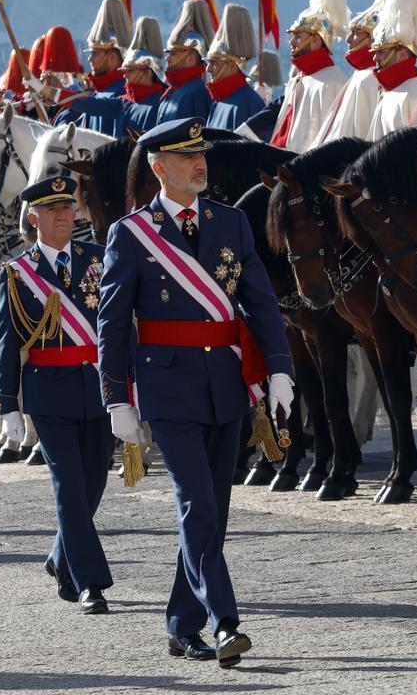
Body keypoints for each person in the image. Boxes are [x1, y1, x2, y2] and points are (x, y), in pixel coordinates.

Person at [97, 117, 294, 667]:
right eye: (186, 158)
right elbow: (112, 325)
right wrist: (116, 398)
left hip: (226, 383)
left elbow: (259, 301)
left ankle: (181, 626)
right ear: (160, 168)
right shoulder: (130, 234)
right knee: (197, 504)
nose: (199, 164)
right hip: (167, 386)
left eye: (201, 155)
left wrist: (279, 368)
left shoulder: (230, 224)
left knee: (213, 514)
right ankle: (225, 622)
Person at [0, 176, 113, 615]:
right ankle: (89, 583)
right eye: (53, 210)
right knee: (69, 487)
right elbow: (8, 342)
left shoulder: (99, 258)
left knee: (94, 484)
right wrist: (7, 403)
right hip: (50, 393)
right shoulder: (18, 273)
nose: (65, 216)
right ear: (34, 218)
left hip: (98, 389)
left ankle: (61, 556)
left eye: (68, 207)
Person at [269, 0, 348, 150]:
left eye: (298, 37)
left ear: (315, 40)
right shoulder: (299, 80)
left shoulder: (334, 83)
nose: (292, 43)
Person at [314, 0, 394, 143]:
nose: (349, 39)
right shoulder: (360, 75)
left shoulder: (369, 79)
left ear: (372, 40)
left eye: (357, 33)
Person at [55, 0, 133, 137]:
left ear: (112, 57)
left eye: (95, 53)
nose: (90, 59)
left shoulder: (122, 91)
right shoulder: (97, 93)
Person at [367, 0, 417, 139]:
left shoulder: (415, 95)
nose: (374, 59)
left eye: (381, 52)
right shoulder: (389, 92)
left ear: (401, 54)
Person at [205, 4, 266, 131]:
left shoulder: (250, 103)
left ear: (233, 64)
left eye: (214, 62)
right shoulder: (217, 103)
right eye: (208, 62)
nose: (208, 69)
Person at [156, 0, 215, 123]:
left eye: (174, 53)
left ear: (190, 59)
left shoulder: (197, 93)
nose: (167, 58)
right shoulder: (170, 92)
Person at [120, 16, 167, 134]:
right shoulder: (128, 103)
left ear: (147, 72)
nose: (125, 76)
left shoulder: (161, 105)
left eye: (130, 71)